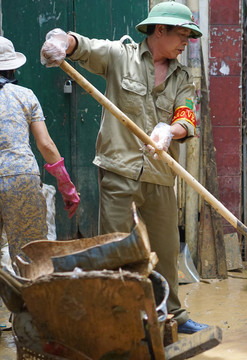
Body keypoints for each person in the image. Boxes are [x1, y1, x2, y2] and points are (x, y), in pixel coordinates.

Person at [40, 1, 208, 334]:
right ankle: (116, 314)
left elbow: (186, 117)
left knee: (166, 248)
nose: (185, 43)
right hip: (118, 169)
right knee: (115, 248)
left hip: (160, 174)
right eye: (182, 35)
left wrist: (168, 131)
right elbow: (80, 46)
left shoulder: (182, 76)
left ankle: (173, 314)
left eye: (189, 37)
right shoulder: (121, 56)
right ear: (159, 31)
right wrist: (59, 40)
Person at [0, 36, 79, 272]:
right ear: (12, 66)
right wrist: (67, 187)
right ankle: (29, 307)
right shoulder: (25, 96)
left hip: (17, 175)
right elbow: (46, 145)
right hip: (20, 177)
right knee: (29, 254)